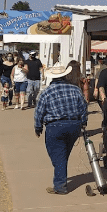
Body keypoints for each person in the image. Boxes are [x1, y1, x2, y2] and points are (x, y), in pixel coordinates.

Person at [34, 62, 89, 195]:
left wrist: (38, 127)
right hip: (73, 125)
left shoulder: (46, 92)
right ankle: (60, 176)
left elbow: (39, 111)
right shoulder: (75, 89)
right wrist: (83, 122)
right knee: (63, 154)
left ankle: (60, 185)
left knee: (58, 155)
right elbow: (83, 108)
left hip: (55, 126)